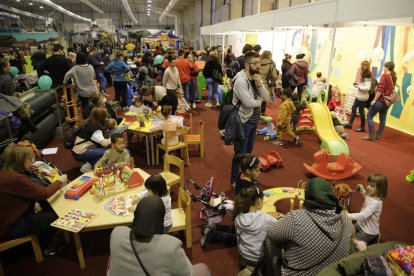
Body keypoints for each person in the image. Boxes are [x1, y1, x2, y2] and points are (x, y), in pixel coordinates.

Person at [265, 178, 353, 275]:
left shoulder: (297, 218)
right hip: (331, 273)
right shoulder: (345, 220)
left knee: (270, 240)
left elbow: (270, 232)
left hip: (299, 273)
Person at [109, 196, 211, 275]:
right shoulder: (170, 245)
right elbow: (188, 274)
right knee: (203, 268)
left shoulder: (117, 232)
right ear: (160, 221)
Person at [0, 143, 68, 255]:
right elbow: (43, 193)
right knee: (53, 216)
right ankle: (45, 246)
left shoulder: (6, 172)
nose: (31, 162)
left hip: (7, 218)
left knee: (47, 205)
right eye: (29, 160)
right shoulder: (15, 178)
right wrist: (60, 181)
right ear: (20, 161)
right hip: (8, 227)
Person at [230, 51, 269, 187]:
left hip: (253, 121)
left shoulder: (256, 78)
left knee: (248, 153)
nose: (258, 66)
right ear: (247, 65)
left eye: (259, 63)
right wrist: (259, 101)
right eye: (255, 63)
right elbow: (247, 102)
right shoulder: (240, 80)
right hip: (243, 121)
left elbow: (267, 98)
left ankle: (246, 178)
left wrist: (259, 84)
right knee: (240, 153)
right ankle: (234, 180)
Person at [234, 186, 277, 271]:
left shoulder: (238, 218)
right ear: (258, 201)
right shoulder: (265, 218)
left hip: (243, 254)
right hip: (258, 258)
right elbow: (280, 225)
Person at [347, 174, 388, 245]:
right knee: (346, 234)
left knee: (353, 245)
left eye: (372, 186)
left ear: (380, 188)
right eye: (368, 184)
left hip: (368, 231)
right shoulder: (371, 195)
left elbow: (363, 215)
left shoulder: (376, 202)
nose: (368, 187)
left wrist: (346, 215)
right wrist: (362, 190)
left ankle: (373, 240)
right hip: (360, 224)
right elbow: (367, 197)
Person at [363, 61, 397, 141]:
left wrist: (374, 100)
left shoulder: (384, 76)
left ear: (387, 67)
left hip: (380, 101)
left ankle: (371, 135)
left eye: (384, 67)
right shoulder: (393, 77)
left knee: (369, 116)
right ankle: (377, 135)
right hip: (387, 103)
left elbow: (380, 89)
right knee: (382, 119)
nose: (383, 68)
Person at [72, 107, 111, 173]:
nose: (106, 118)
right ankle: (86, 167)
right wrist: (112, 138)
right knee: (108, 152)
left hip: (78, 150)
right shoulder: (95, 128)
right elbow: (104, 143)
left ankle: (89, 163)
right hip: (81, 152)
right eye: (105, 117)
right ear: (101, 118)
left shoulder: (88, 122)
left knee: (104, 151)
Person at [345, 60, 373, 132]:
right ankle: (350, 124)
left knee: (361, 112)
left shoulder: (367, 75)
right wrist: (358, 85)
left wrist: (359, 87)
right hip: (359, 96)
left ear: (365, 66)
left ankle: (362, 127)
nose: (361, 67)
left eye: (362, 65)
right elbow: (364, 85)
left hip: (362, 97)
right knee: (354, 108)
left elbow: (367, 88)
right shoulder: (364, 74)